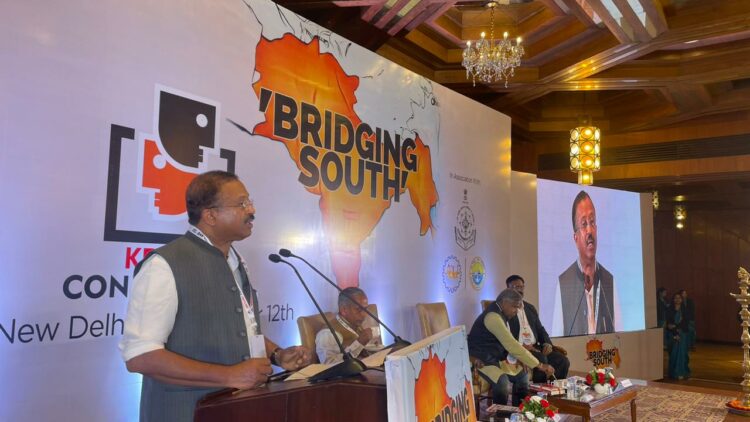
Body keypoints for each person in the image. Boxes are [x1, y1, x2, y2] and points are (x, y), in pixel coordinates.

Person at [119, 171, 312, 421]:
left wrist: (277, 355)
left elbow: (241, 329)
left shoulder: (236, 261)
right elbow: (140, 357)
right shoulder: (164, 265)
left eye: (250, 201)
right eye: (242, 203)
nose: (252, 209)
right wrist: (229, 375)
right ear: (210, 215)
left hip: (237, 410)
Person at [468, 289, 555, 406]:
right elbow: (511, 344)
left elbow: (506, 345)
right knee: (502, 381)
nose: (516, 311)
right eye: (514, 307)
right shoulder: (493, 317)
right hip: (482, 360)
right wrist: (540, 365)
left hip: (496, 358)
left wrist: (520, 359)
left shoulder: (502, 314)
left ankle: (519, 411)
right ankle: (501, 414)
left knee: (522, 375)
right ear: (504, 302)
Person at [553, 190, 621, 336]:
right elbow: (557, 337)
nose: (590, 230)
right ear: (575, 237)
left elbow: (620, 334)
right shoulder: (564, 282)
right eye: (584, 224)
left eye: (592, 222)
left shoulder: (609, 280)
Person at [506, 275, 570, 382]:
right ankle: (539, 390)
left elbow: (540, 329)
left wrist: (547, 343)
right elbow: (506, 336)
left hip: (536, 347)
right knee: (541, 358)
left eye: (521, 287)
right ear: (508, 290)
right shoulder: (507, 310)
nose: (520, 290)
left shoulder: (530, 308)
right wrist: (520, 348)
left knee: (562, 360)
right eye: (516, 287)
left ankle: (555, 389)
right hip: (522, 349)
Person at [315, 287, 384, 364]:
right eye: (358, 309)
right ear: (344, 310)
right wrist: (359, 343)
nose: (364, 314)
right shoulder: (328, 333)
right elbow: (328, 364)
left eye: (365, 309)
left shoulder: (354, 323)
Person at [666, 292, 691, 379]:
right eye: (675, 298)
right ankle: (674, 373)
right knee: (673, 354)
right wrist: (675, 333)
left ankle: (682, 372)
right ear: (673, 299)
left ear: (681, 300)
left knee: (682, 353)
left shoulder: (685, 310)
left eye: (679, 298)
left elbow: (685, 322)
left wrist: (676, 327)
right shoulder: (670, 310)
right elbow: (669, 323)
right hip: (672, 334)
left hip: (682, 334)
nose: (677, 299)